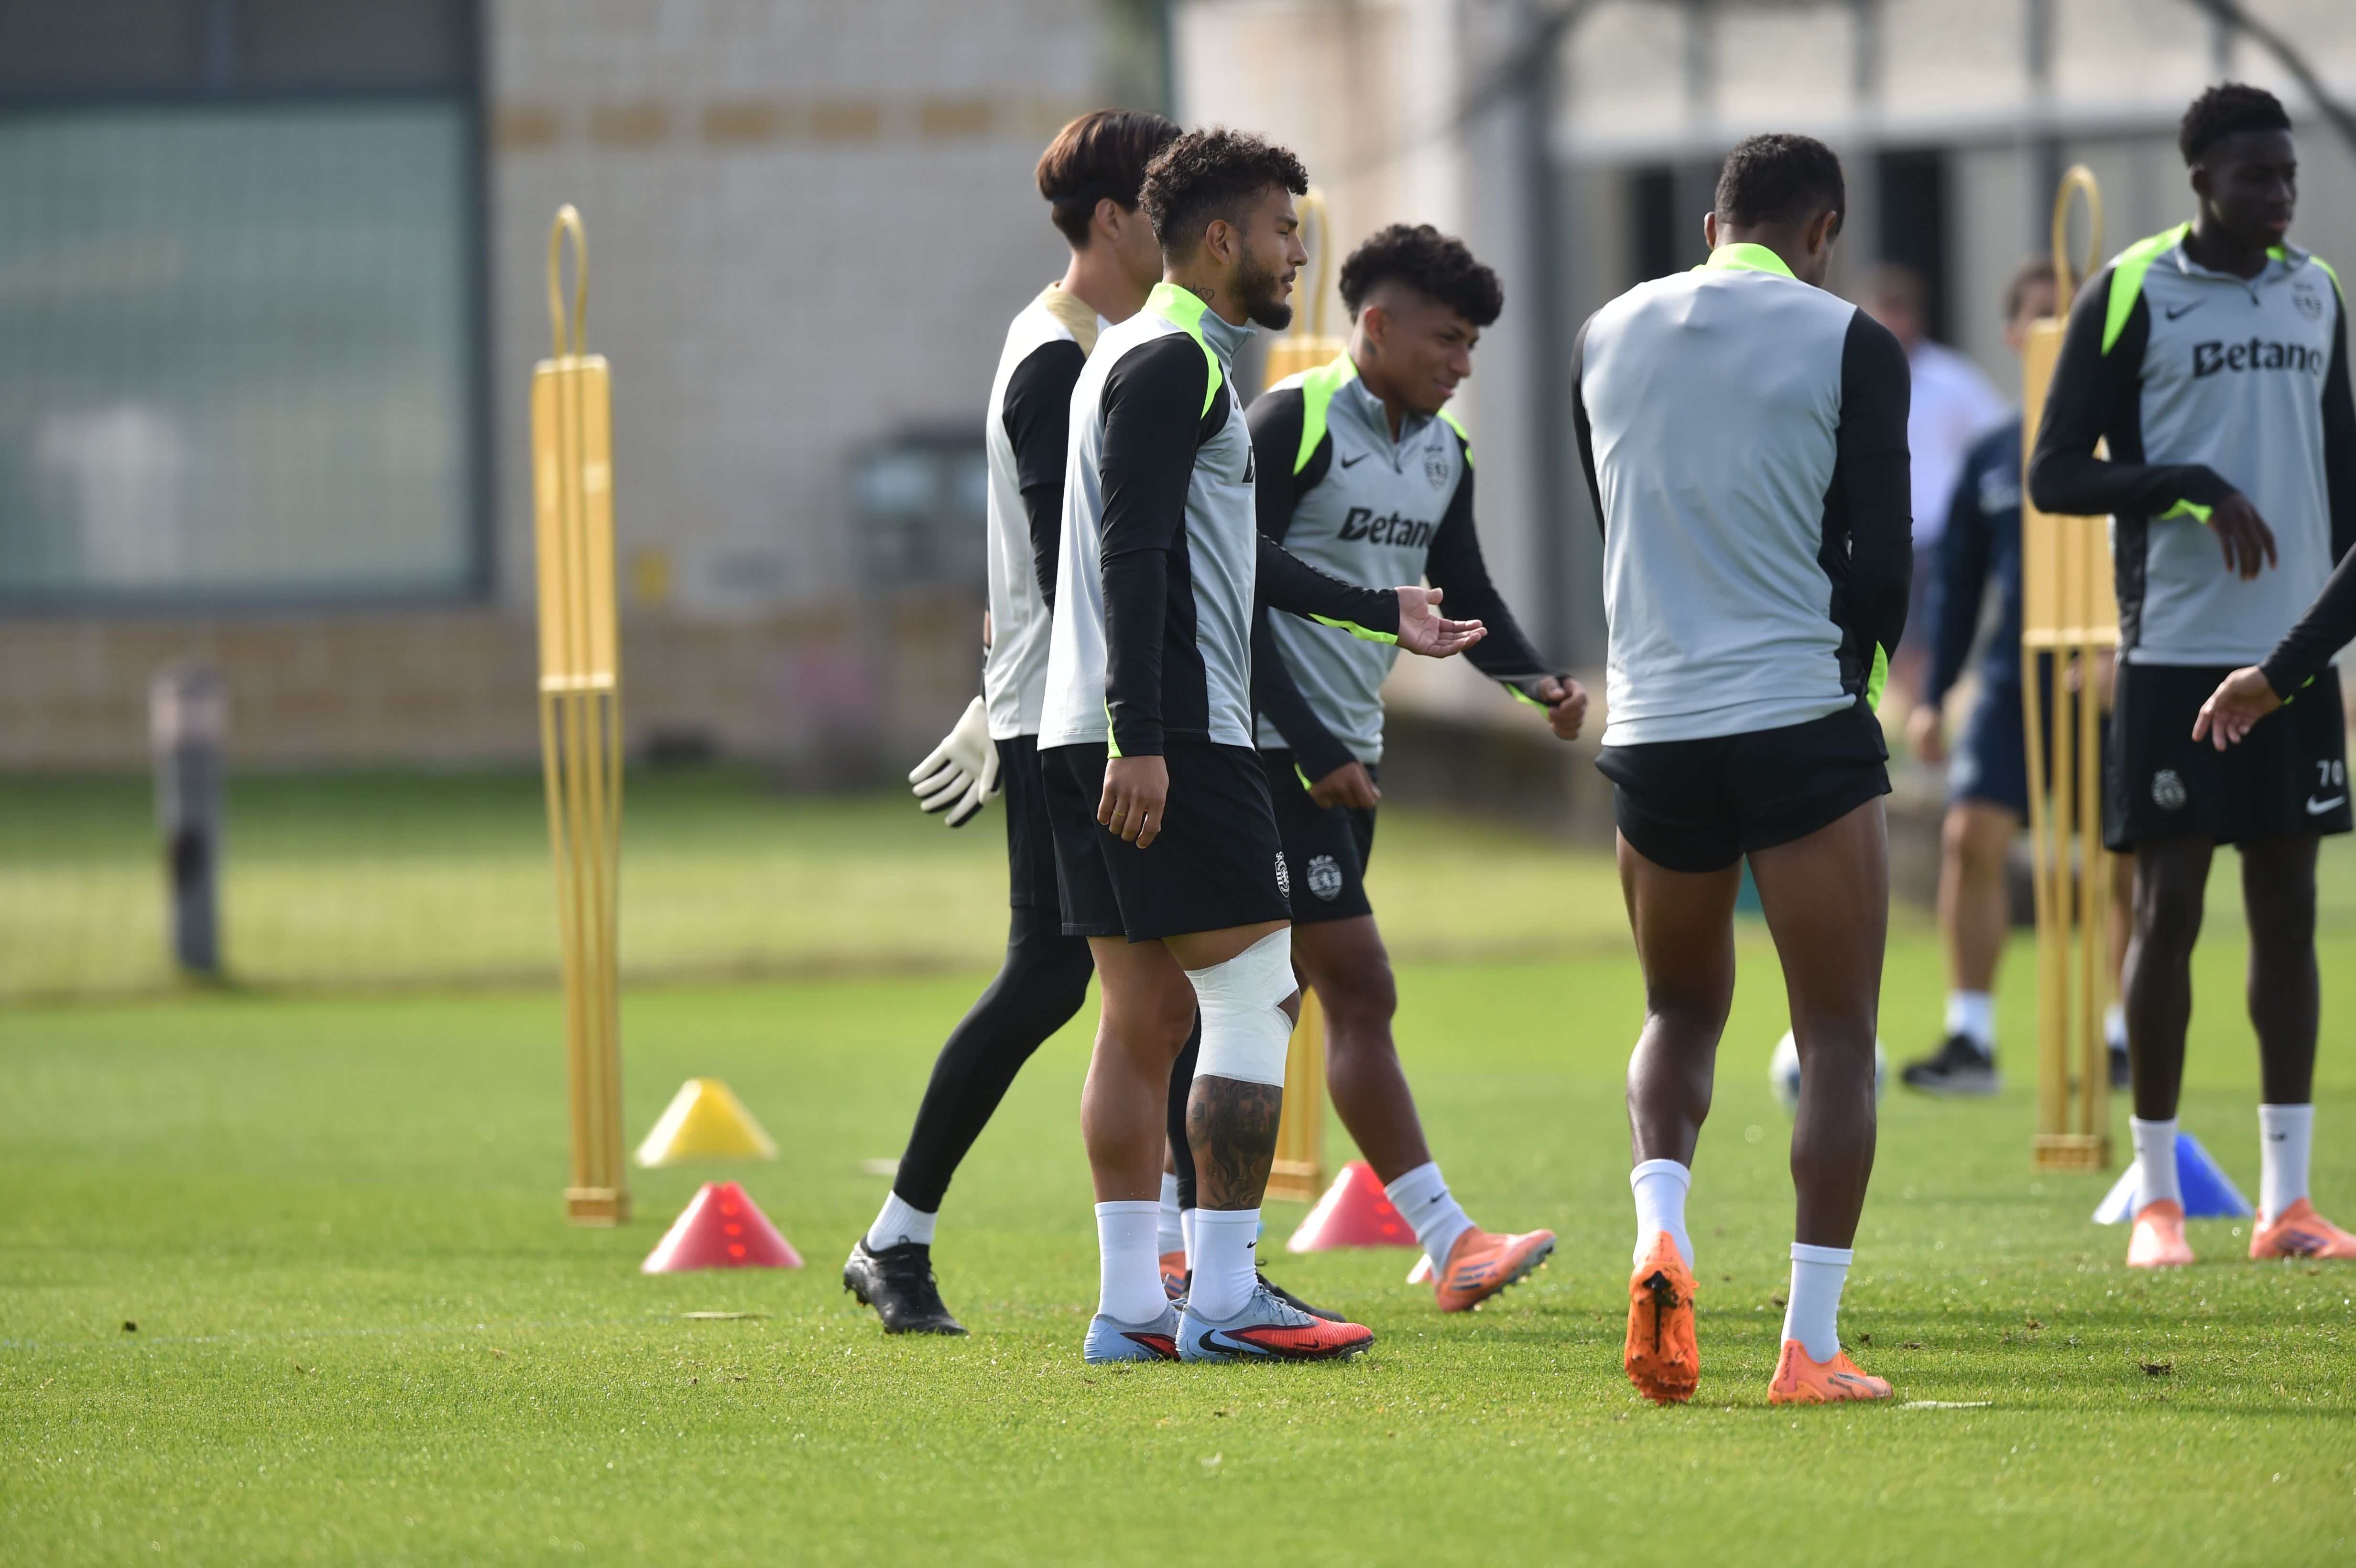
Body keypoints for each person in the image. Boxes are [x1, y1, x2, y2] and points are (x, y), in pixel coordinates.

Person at [1036, 127, 1486, 1363]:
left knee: (1138, 1016)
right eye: (1288, 229)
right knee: (1256, 993)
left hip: (1095, 726)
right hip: (1167, 728)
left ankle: (1133, 1308)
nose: (1301, 251)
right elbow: (1136, 552)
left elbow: (1222, 552)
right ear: (1225, 238)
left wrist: (1377, 603)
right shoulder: (1176, 358)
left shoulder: (1143, 356)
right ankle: (1225, 1296)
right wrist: (1146, 735)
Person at [1571, 132, 1909, 1405]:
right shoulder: (1847, 338)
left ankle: (1663, 1228)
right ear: (1820, 226)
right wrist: (1858, 690)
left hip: (1652, 723)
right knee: (1836, 1036)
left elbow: (1617, 521)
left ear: (1715, 218)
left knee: (1677, 1013)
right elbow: (1883, 561)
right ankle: (1808, 1347)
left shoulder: (1604, 334)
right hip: (1798, 717)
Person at [846, 109, 1179, 1335]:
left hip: (1058, 707)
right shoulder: (1059, 356)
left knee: (1058, 977)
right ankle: (1192, 1264)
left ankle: (896, 1237)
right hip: (1077, 721)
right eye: (1166, 200)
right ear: (1111, 218)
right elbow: (1069, 555)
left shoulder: (1085, 341)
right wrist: (1017, 705)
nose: (1184, 221)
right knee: (1168, 970)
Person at [2031, 83, 2355, 1269]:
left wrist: (2321, 635)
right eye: (2257, 176)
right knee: (2170, 909)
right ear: (2202, 181)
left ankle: (2288, 1201)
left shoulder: (2317, 290)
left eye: (2290, 177)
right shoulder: (2130, 289)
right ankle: (2159, 1194)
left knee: (2292, 912)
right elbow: (2056, 473)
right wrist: (2189, 482)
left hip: (2298, 656)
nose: (2279, 196)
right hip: (2171, 653)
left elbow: (2342, 476)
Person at [1236, 222, 1584, 1309]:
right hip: (1269, 755)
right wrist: (1311, 745)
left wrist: (1538, 682)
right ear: (1375, 327)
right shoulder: (1291, 423)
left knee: (1263, 1002)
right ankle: (1448, 1236)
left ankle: (1172, 1240)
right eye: (1447, 338)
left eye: (1475, 341)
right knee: (1353, 986)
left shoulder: (1446, 454)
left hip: (1347, 757)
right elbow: (1229, 593)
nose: (1465, 362)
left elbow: (1462, 585)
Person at [1900, 259, 2133, 1095]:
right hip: (2013, 681)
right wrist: (1930, 696)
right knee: (1970, 838)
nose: (2057, 330)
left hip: (2118, 675)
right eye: (2041, 316)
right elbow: (1959, 584)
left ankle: (2118, 1038)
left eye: (2073, 315)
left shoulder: (2131, 435)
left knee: (2124, 858)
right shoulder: (1995, 453)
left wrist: (2123, 653)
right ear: (2011, 334)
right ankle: (1971, 1040)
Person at [1863, 264, 2008, 707]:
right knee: (1900, 641)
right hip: (1885, 534)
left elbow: (1997, 436)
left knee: (1936, 632)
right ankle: (1927, 722)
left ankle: (1930, 721)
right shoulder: (1855, 378)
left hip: (1940, 531)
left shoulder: (1951, 379)